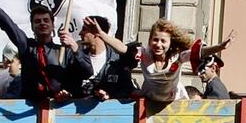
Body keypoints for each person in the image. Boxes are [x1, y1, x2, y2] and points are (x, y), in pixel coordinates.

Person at [0, 0, 92, 102]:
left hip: (60, 108)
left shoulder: (65, 51)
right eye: (37, 21)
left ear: (53, 25)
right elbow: (8, 25)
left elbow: (87, 72)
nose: (42, 23)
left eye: (46, 20)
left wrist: (74, 46)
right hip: (31, 108)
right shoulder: (27, 47)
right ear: (32, 27)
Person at [94, 18, 235, 103]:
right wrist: (102, 35)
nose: (158, 44)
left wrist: (219, 47)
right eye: (155, 40)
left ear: (170, 43)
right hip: (150, 100)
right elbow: (123, 48)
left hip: (175, 100)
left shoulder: (176, 56)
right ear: (150, 41)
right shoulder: (145, 54)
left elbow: (198, 52)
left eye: (163, 41)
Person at [66, 15, 137, 101]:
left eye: (84, 29)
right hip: (78, 112)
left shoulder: (117, 60)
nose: (80, 33)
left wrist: (110, 96)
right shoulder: (77, 58)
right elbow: (71, 87)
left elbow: (127, 90)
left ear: (96, 33)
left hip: (111, 112)